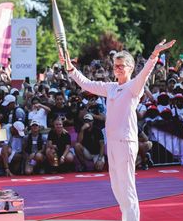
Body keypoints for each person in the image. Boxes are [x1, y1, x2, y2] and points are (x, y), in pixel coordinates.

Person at [59, 39, 176, 221]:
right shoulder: (111, 88)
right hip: (112, 143)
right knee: (116, 187)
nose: (118, 68)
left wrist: (154, 54)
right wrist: (70, 69)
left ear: (130, 68)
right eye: (116, 65)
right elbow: (87, 84)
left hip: (126, 142)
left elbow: (145, 74)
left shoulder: (133, 87)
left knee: (127, 186)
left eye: (121, 66)